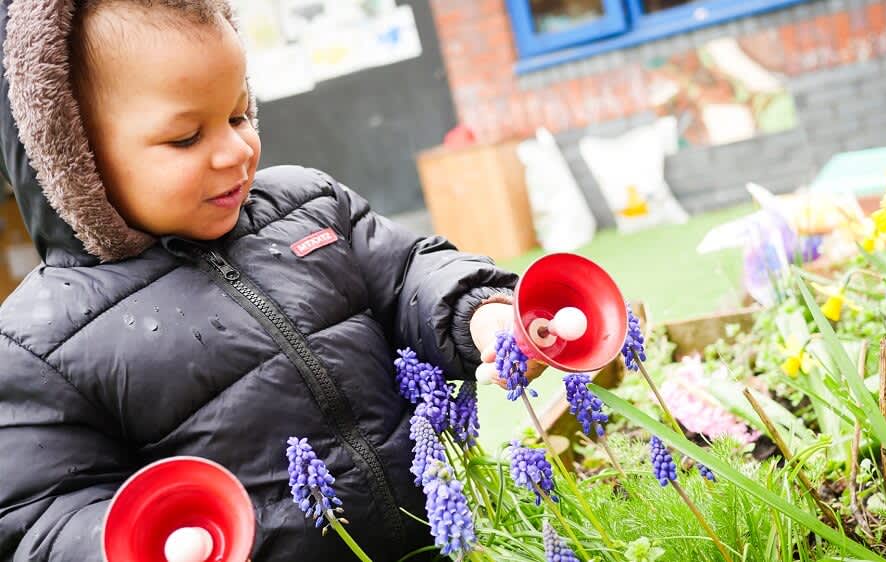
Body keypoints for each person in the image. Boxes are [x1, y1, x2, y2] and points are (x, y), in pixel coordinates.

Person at [0, 1, 541, 560]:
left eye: (237, 115)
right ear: (73, 155)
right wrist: (133, 545)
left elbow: (408, 273)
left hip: (438, 539)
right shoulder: (37, 345)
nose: (237, 150)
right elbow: (40, 514)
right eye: (186, 137)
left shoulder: (309, 206)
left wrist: (478, 311)